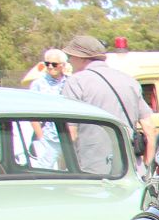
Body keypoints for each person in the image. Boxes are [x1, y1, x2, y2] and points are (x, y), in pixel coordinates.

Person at [58, 34, 154, 174]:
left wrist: (63, 168)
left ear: (81, 57)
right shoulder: (129, 81)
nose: (70, 62)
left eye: (70, 57)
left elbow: (70, 133)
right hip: (131, 169)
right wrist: (146, 167)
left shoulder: (76, 82)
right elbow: (150, 130)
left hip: (92, 170)